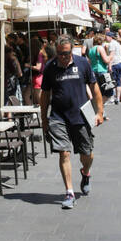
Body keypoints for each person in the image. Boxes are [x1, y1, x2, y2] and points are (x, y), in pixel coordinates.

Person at [40, 34, 104, 209]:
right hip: (58, 117)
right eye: (60, 54)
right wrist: (44, 119)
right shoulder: (50, 67)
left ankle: (85, 172)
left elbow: (94, 87)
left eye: (66, 54)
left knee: (87, 154)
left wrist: (99, 112)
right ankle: (69, 192)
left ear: (72, 51)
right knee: (64, 153)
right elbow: (45, 95)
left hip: (81, 116)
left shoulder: (82, 63)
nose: (63, 57)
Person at [105, 28, 121, 104]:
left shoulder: (112, 44)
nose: (105, 38)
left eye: (106, 36)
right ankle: (118, 98)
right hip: (119, 63)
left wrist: (109, 66)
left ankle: (112, 99)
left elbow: (111, 56)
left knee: (112, 82)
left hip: (114, 64)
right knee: (118, 81)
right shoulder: (117, 43)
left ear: (110, 37)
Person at [30, 38, 48, 105]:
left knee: (39, 99)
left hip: (38, 77)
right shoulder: (42, 53)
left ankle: (41, 114)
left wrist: (28, 66)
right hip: (40, 76)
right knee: (36, 98)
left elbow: (38, 67)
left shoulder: (39, 54)